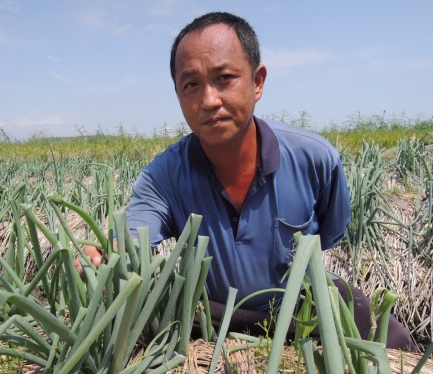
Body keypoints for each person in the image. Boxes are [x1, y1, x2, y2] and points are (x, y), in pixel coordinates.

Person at [82, 12, 418, 351]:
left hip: (304, 305)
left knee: (395, 341)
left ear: (257, 82)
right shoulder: (164, 175)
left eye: (224, 78)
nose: (209, 100)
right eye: (191, 85)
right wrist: (107, 248)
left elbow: (329, 234)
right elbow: (130, 235)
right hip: (212, 314)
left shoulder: (314, 158)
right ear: (178, 95)